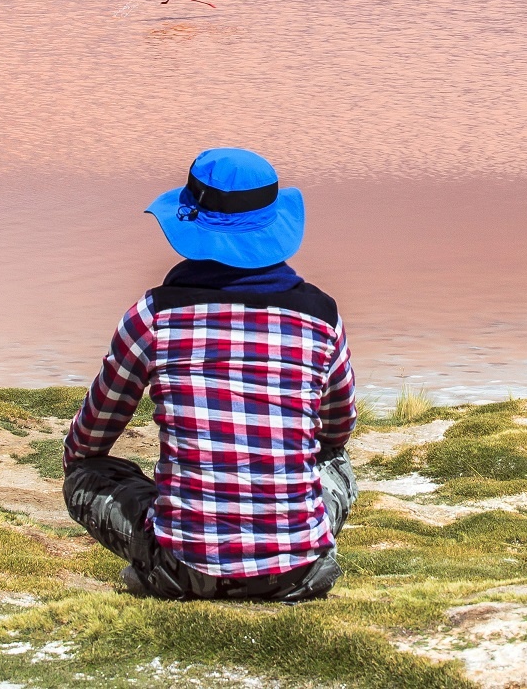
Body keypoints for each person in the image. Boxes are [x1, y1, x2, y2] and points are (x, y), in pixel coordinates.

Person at [62, 148, 357, 602]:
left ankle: (165, 567)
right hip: (298, 572)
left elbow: (89, 440)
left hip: (182, 569)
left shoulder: (154, 316)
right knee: (335, 461)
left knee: (84, 474)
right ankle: (293, 553)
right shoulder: (321, 319)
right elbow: (337, 430)